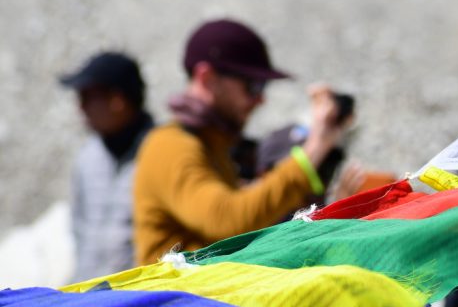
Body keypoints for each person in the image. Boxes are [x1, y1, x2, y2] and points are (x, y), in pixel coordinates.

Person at [133, 18, 346, 266]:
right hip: (178, 301)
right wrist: (313, 149)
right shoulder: (169, 145)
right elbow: (227, 220)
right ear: (208, 78)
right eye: (253, 85)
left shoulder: (211, 144)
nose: (260, 100)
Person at [59, 52, 154, 281]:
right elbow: (80, 230)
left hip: (141, 302)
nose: (80, 108)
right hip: (89, 298)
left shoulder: (160, 154)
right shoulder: (87, 158)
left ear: (117, 101)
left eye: (87, 98)